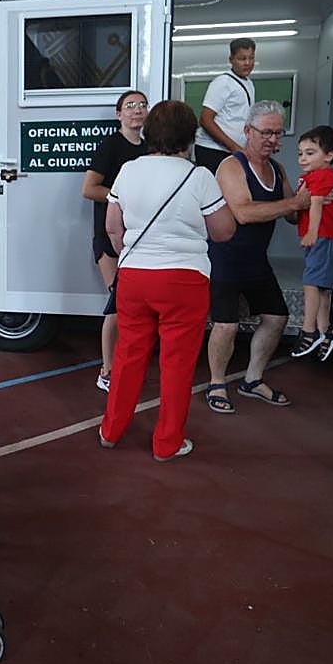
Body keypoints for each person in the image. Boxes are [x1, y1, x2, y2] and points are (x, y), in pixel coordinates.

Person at [98, 101, 236, 460]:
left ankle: (110, 431)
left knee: (128, 354)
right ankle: (167, 443)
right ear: (189, 138)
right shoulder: (199, 176)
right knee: (177, 363)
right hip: (184, 280)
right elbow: (223, 231)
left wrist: (130, 254)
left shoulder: (128, 170)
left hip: (134, 277)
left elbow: (112, 226)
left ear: (149, 133)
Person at [204, 101, 312, 414]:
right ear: (248, 131)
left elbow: (292, 213)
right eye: (265, 132)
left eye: (277, 133)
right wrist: (294, 203)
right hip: (224, 257)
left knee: (277, 317)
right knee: (226, 326)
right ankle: (216, 383)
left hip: (255, 260)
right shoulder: (231, 166)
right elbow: (243, 212)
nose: (272, 139)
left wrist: (314, 193)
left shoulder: (277, 169)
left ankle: (252, 380)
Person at [82, 89, 149, 391]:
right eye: (130, 105)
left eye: (142, 105)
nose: (137, 110)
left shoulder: (149, 149)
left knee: (132, 306)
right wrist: (124, 197)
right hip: (109, 236)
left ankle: (125, 364)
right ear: (119, 114)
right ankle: (106, 371)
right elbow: (89, 189)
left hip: (138, 237)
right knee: (118, 303)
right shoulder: (110, 145)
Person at [291, 125, 333, 361]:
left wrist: (312, 232)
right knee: (321, 286)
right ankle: (325, 331)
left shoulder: (324, 176)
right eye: (300, 153)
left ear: (329, 156)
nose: (303, 158)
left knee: (311, 283)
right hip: (324, 237)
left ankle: (309, 330)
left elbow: (315, 204)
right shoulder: (310, 177)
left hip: (325, 236)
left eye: (310, 153)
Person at [194, 37, 256, 173]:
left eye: (251, 58)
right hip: (213, 150)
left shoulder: (249, 83)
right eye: (242, 59)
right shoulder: (223, 82)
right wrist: (234, 147)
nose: (247, 63)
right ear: (231, 59)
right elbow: (205, 119)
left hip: (233, 151)